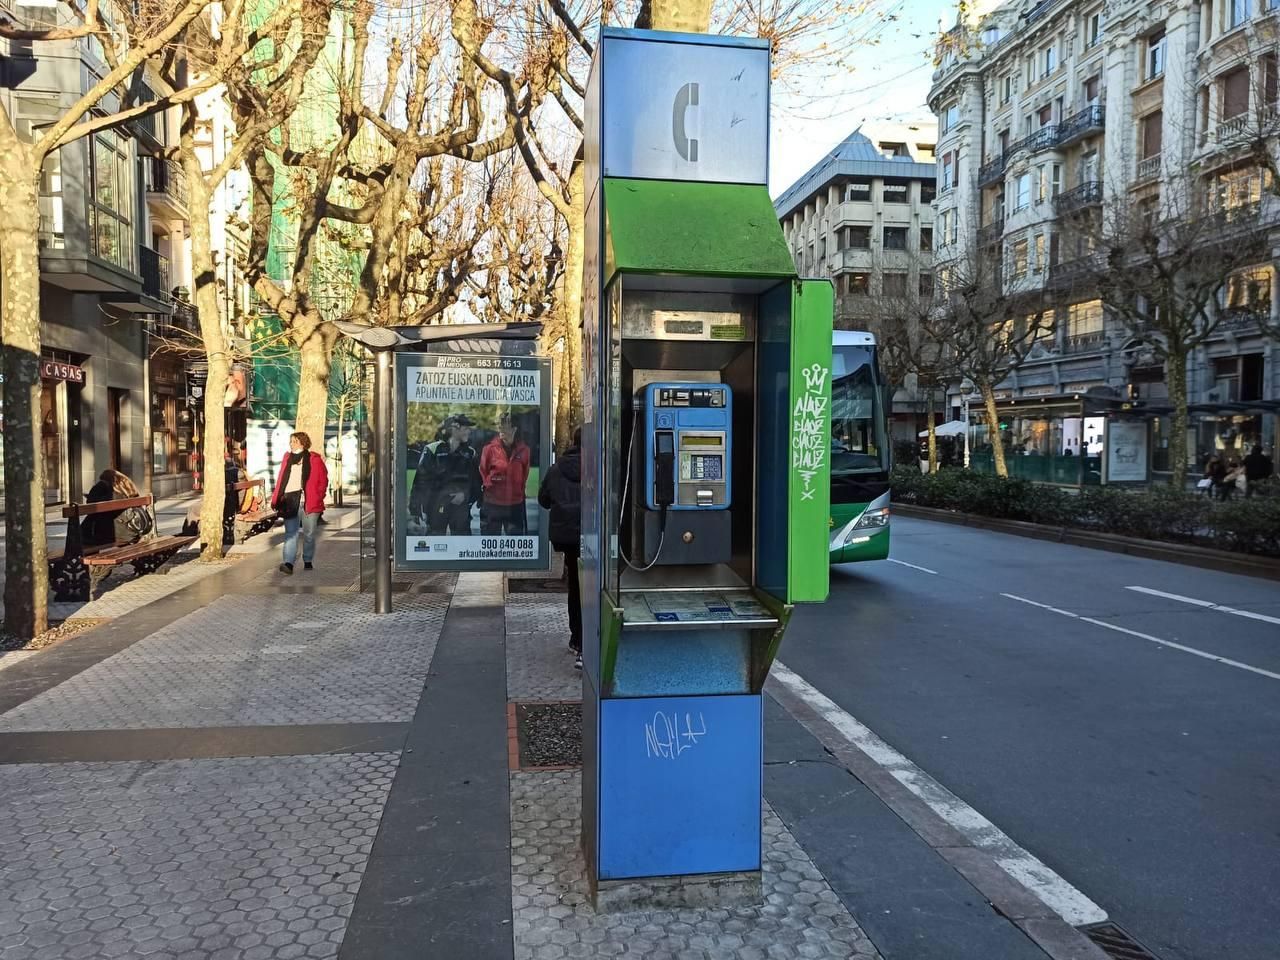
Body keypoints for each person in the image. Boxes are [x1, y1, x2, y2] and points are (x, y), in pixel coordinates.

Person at [539, 428, 582, 670]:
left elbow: (543, 499)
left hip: (567, 538)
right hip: (593, 536)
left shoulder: (557, 469)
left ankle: (576, 637)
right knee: (593, 587)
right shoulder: (599, 467)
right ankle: (587, 642)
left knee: (575, 586)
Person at [271, 431, 328, 574]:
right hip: (290, 500)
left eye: (294, 441)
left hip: (309, 501)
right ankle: (288, 564)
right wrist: (277, 498)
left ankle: (307, 559)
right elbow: (280, 479)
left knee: (309, 534)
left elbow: (323, 480)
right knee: (291, 533)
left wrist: (319, 495)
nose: (291, 444)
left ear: (302, 443)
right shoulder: (287, 458)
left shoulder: (315, 459)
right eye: (290, 441)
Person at [419, 415, 481, 535]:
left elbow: (476, 483)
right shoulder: (432, 450)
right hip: (436, 509)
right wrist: (416, 509)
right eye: (466, 428)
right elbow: (421, 482)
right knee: (434, 546)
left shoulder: (470, 453)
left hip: (461, 510)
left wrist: (465, 496)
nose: (469, 431)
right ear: (454, 429)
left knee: (462, 545)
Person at [480, 413, 532, 535]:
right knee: (489, 545)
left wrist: (517, 492)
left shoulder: (524, 450)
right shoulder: (489, 449)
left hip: (515, 505)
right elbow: (483, 472)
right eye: (500, 426)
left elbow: (524, 475)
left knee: (515, 546)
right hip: (492, 505)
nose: (501, 430)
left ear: (514, 429)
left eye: (505, 426)